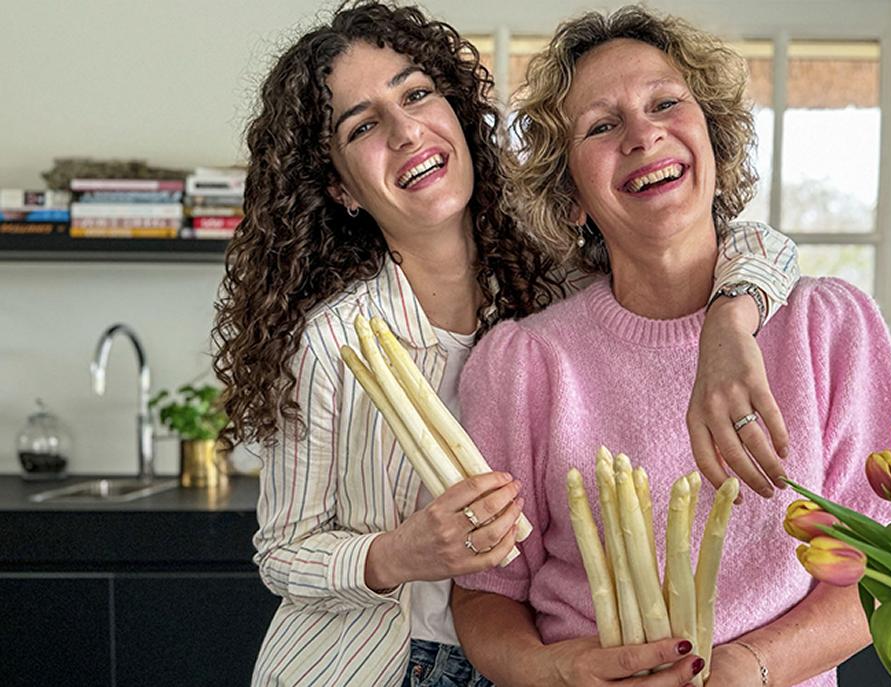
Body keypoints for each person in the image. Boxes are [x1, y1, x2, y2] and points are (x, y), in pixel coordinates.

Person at [211, 2, 802, 685]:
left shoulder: (551, 280)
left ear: (457, 110)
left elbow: (752, 241)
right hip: (373, 663)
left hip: (522, 660)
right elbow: (282, 552)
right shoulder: (334, 341)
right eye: (365, 124)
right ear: (341, 185)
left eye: (417, 94)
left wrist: (731, 321)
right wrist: (399, 552)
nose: (406, 131)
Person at [451, 7, 891, 687]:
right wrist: (559, 668)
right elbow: (487, 592)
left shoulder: (829, 329)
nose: (643, 134)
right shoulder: (525, 362)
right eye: (602, 126)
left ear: (715, 141)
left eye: (666, 103)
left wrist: (744, 669)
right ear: (572, 194)